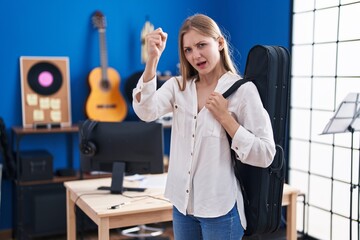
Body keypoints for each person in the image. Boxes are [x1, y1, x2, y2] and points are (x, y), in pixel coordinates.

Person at [133, 13, 275, 240]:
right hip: (182, 206)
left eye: (201, 45)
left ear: (219, 43)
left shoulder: (242, 91)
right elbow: (145, 111)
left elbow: (266, 154)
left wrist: (227, 120)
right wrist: (152, 59)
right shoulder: (178, 87)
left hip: (220, 209)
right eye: (188, 50)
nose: (195, 55)